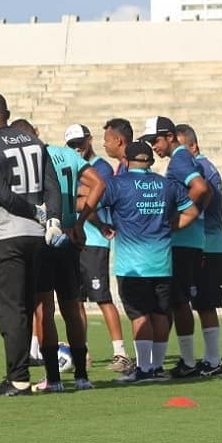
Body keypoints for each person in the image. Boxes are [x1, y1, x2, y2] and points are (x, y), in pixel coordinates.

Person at [0, 93, 62, 396]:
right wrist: (52, 218)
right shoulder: (33, 142)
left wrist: (33, 211)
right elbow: (53, 187)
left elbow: (1, 193)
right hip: (36, 236)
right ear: (7, 114)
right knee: (27, 304)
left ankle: (18, 377)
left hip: (6, 235)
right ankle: (20, 373)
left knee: (11, 309)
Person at [11, 120, 104, 392]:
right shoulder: (67, 155)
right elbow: (98, 184)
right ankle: (82, 376)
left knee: (44, 309)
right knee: (72, 307)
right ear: (37, 133)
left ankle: (53, 378)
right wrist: (80, 221)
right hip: (67, 235)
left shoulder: (27, 158)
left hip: (42, 237)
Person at [100, 141, 199, 382]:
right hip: (161, 262)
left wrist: (102, 225)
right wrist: (170, 227)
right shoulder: (167, 185)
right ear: (151, 161)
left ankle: (144, 369)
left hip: (132, 264)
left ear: (127, 160)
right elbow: (192, 212)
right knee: (159, 314)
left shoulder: (118, 184)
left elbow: (92, 204)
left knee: (139, 315)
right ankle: (156, 367)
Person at [143, 116, 213, 378]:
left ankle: (188, 362)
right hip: (188, 242)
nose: (153, 147)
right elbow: (207, 192)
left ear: (170, 137)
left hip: (183, 243)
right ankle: (186, 361)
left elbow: (200, 187)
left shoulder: (180, 158)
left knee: (180, 301)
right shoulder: (182, 159)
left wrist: (180, 218)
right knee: (177, 301)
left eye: (155, 140)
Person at [67, 122, 131, 371]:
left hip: (94, 241)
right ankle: (82, 353)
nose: (76, 148)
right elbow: (82, 197)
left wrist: (78, 197)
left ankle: (120, 352)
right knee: (76, 301)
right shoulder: (74, 166)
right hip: (76, 239)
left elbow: (91, 200)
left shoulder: (101, 167)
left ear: (89, 140)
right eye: (72, 145)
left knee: (102, 297)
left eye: (80, 143)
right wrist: (81, 196)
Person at [174, 124, 222, 377]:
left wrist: (184, 218)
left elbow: (202, 196)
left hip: (208, 243)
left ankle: (213, 361)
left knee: (205, 304)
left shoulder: (200, 169)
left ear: (193, 146)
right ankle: (206, 360)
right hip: (208, 242)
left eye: (182, 147)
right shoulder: (201, 167)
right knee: (201, 303)